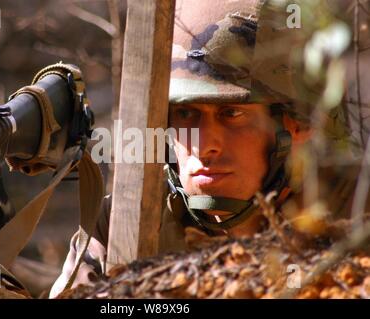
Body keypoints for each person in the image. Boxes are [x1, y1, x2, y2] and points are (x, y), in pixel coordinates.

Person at [49, 0, 361, 298]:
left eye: (232, 114)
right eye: (186, 114)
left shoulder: (356, 209)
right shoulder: (122, 220)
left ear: (296, 125)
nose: (205, 145)